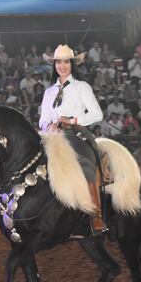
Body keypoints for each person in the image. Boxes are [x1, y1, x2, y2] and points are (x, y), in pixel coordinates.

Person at [38, 44, 106, 235]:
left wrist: (72, 120)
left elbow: (97, 114)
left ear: (72, 64)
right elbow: (42, 120)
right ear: (54, 65)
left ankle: (96, 215)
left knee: (84, 166)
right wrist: (48, 125)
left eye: (66, 62)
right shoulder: (49, 92)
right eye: (58, 62)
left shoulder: (81, 87)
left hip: (76, 134)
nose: (62, 66)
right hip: (53, 136)